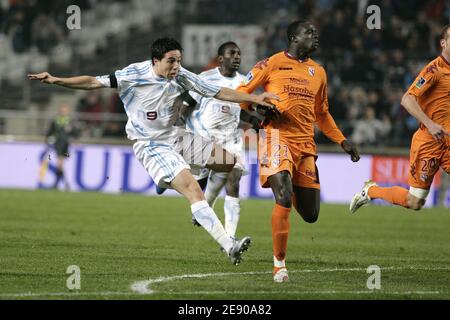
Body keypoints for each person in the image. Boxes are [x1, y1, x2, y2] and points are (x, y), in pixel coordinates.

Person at [28, 37, 279, 265]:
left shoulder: (181, 76)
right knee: (192, 189)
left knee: (228, 163)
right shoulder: (134, 74)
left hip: (176, 137)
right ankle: (229, 245)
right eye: (171, 61)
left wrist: (255, 100)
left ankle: (179, 185)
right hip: (151, 144)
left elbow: (216, 91)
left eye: (179, 60)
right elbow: (94, 82)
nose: (176, 66)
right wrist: (56, 80)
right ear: (155, 61)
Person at [236, 20, 360, 282]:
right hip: (276, 137)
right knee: (283, 195)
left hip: (305, 145)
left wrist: (342, 141)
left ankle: (288, 183)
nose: (315, 37)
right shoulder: (270, 63)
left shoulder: (319, 72)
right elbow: (241, 93)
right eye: (309, 33)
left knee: (311, 214)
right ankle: (279, 265)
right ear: (293, 37)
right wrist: (258, 111)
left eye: (316, 33)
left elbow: (322, 113)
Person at [350, 25, 450, 213]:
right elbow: (407, 99)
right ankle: (372, 191)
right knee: (415, 202)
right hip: (430, 141)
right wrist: (430, 124)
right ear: (443, 43)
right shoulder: (434, 70)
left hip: (448, 140)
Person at [182, 41, 247, 241]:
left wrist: (256, 121)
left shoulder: (245, 82)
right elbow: (187, 104)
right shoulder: (205, 78)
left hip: (231, 137)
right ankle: (204, 209)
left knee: (233, 180)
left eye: (239, 53)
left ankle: (230, 237)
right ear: (220, 58)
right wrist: (178, 128)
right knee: (201, 181)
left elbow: (244, 111)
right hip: (205, 136)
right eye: (232, 53)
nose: (237, 56)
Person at [44, 103, 78, 190]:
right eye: (62, 110)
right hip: (58, 143)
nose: (63, 112)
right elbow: (50, 131)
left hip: (66, 144)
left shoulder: (70, 121)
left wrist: (73, 137)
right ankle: (64, 183)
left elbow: (75, 133)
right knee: (60, 162)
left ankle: (58, 183)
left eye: (65, 110)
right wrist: (47, 139)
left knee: (61, 164)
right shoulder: (56, 120)